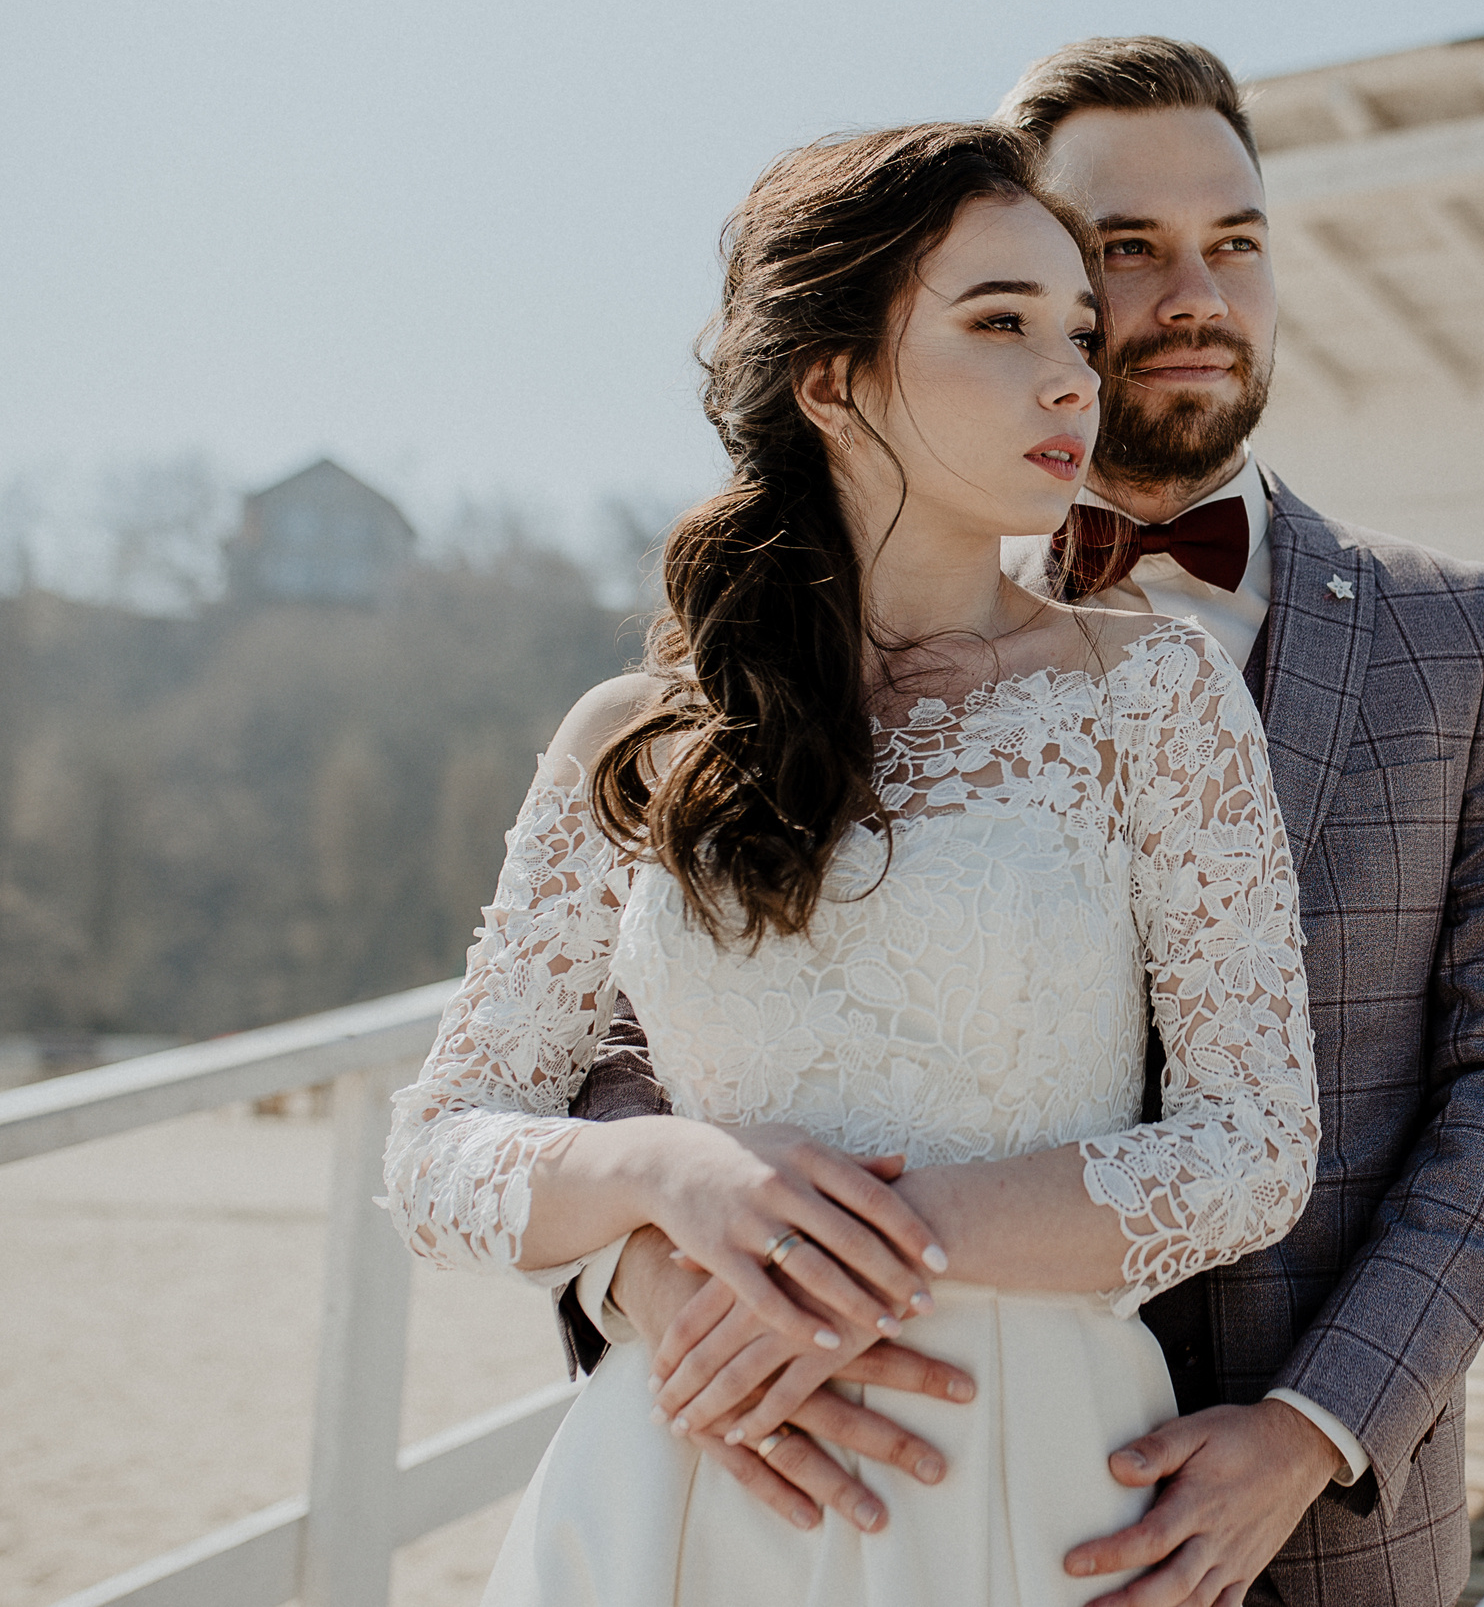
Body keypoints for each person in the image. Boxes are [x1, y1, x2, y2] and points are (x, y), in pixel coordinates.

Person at [570, 39, 1484, 1606]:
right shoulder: (830, 637)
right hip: (860, 1455)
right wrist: (654, 1271)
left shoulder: (1463, 638)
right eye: (1127, 248)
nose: (1195, 295)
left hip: (1325, 1524)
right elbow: (630, 1024)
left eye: (1237, 242)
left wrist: (1316, 1424)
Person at [382, 119, 1322, 1606]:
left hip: (1021, 1474)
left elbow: (1253, 1144)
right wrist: (668, 1177)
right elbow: (438, 1158)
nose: (1073, 377)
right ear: (830, 380)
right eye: (1001, 323)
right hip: (688, 1471)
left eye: (1079, 332)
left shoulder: (1155, 693)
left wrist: (844, 1256)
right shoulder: (636, 734)